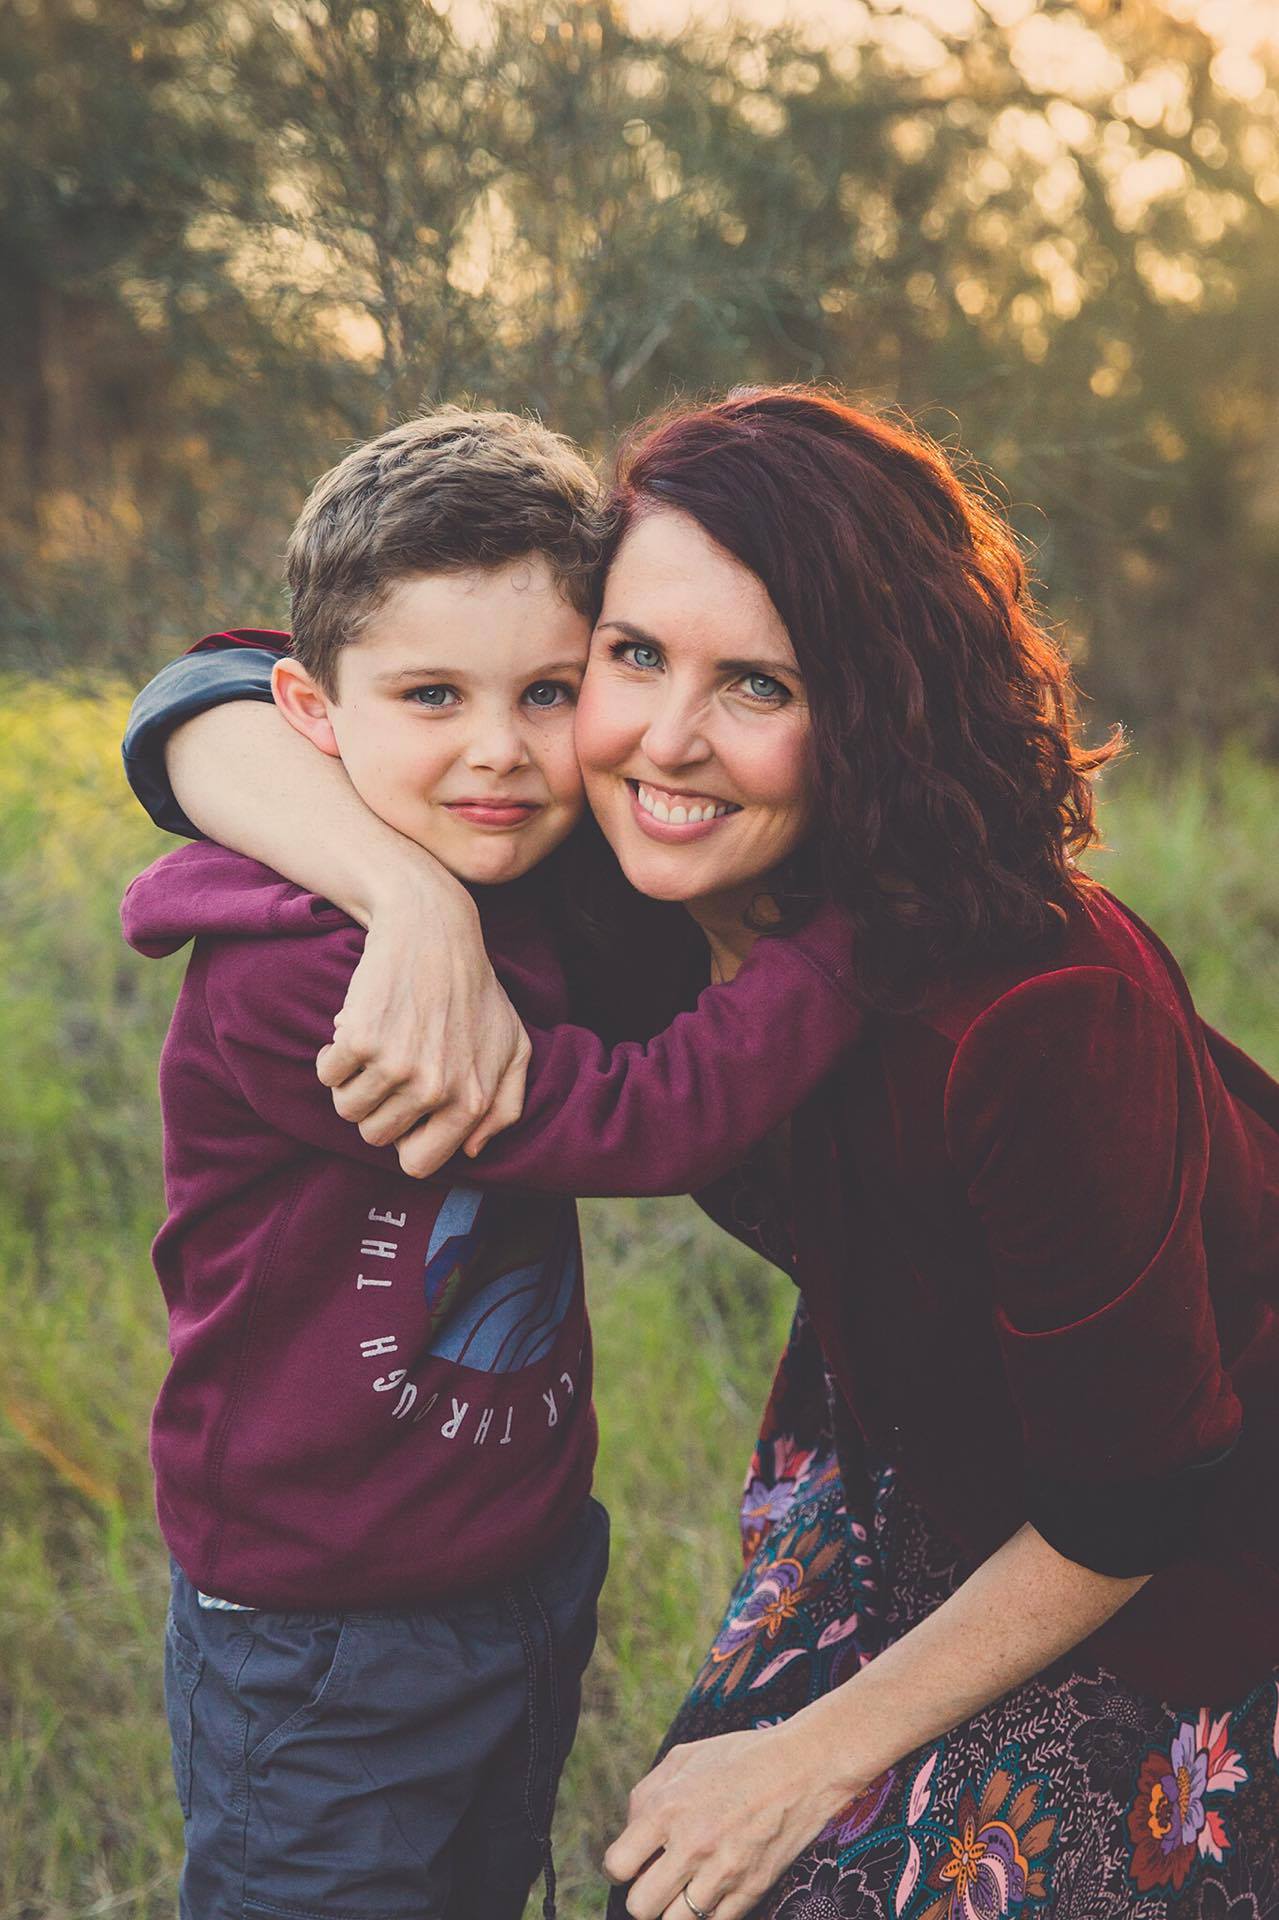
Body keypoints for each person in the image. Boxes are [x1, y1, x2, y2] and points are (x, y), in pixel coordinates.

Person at [125, 387, 1279, 1920]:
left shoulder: (1031, 1009)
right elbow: (210, 685)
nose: (665, 739)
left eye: (758, 684)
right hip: (906, 1452)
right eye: (635, 655)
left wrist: (806, 1759)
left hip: (1177, 1542)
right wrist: (406, 901)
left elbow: (1139, 1490)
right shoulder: (595, 861)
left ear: (873, 705)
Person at [122, 403, 870, 1920]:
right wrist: (865, 937)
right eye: (431, 696)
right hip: (320, 1634)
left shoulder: (520, 870)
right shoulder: (298, 987)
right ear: (311, 711)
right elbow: (642, 1116)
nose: (497, 753)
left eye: (545, 692)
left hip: (517, 1566)